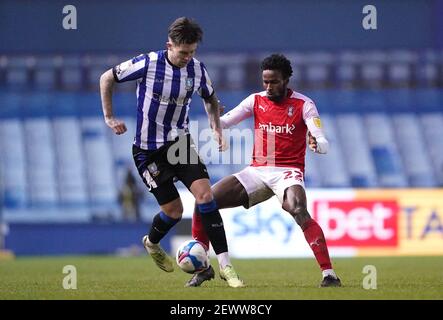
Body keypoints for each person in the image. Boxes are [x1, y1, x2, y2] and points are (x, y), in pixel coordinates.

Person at [99, 17, 243, 288]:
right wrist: (109, 117)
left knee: (205, 196)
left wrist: (216, 128)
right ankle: (152, 243)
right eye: (183, 52)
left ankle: (226, 266)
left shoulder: (197, 70)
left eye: (192, 52)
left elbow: (210, 97)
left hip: (179, 145)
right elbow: (107, 77)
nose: (188, 57)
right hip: (147, 151)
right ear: (169, 45)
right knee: (174, 211)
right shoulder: (149, 63)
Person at [187, 54, 342, 287]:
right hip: (257, 171)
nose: (268, 87)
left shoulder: (304, 105)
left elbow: (322, 140)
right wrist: (214, 115)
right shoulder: (255, 100)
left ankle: (329, 274)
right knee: (204, 201)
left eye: (274, 82)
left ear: (286, 80)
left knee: (298, 208)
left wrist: (316, 144)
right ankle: (204, 268)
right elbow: (225, 122)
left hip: (288, 172)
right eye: (265, 82)